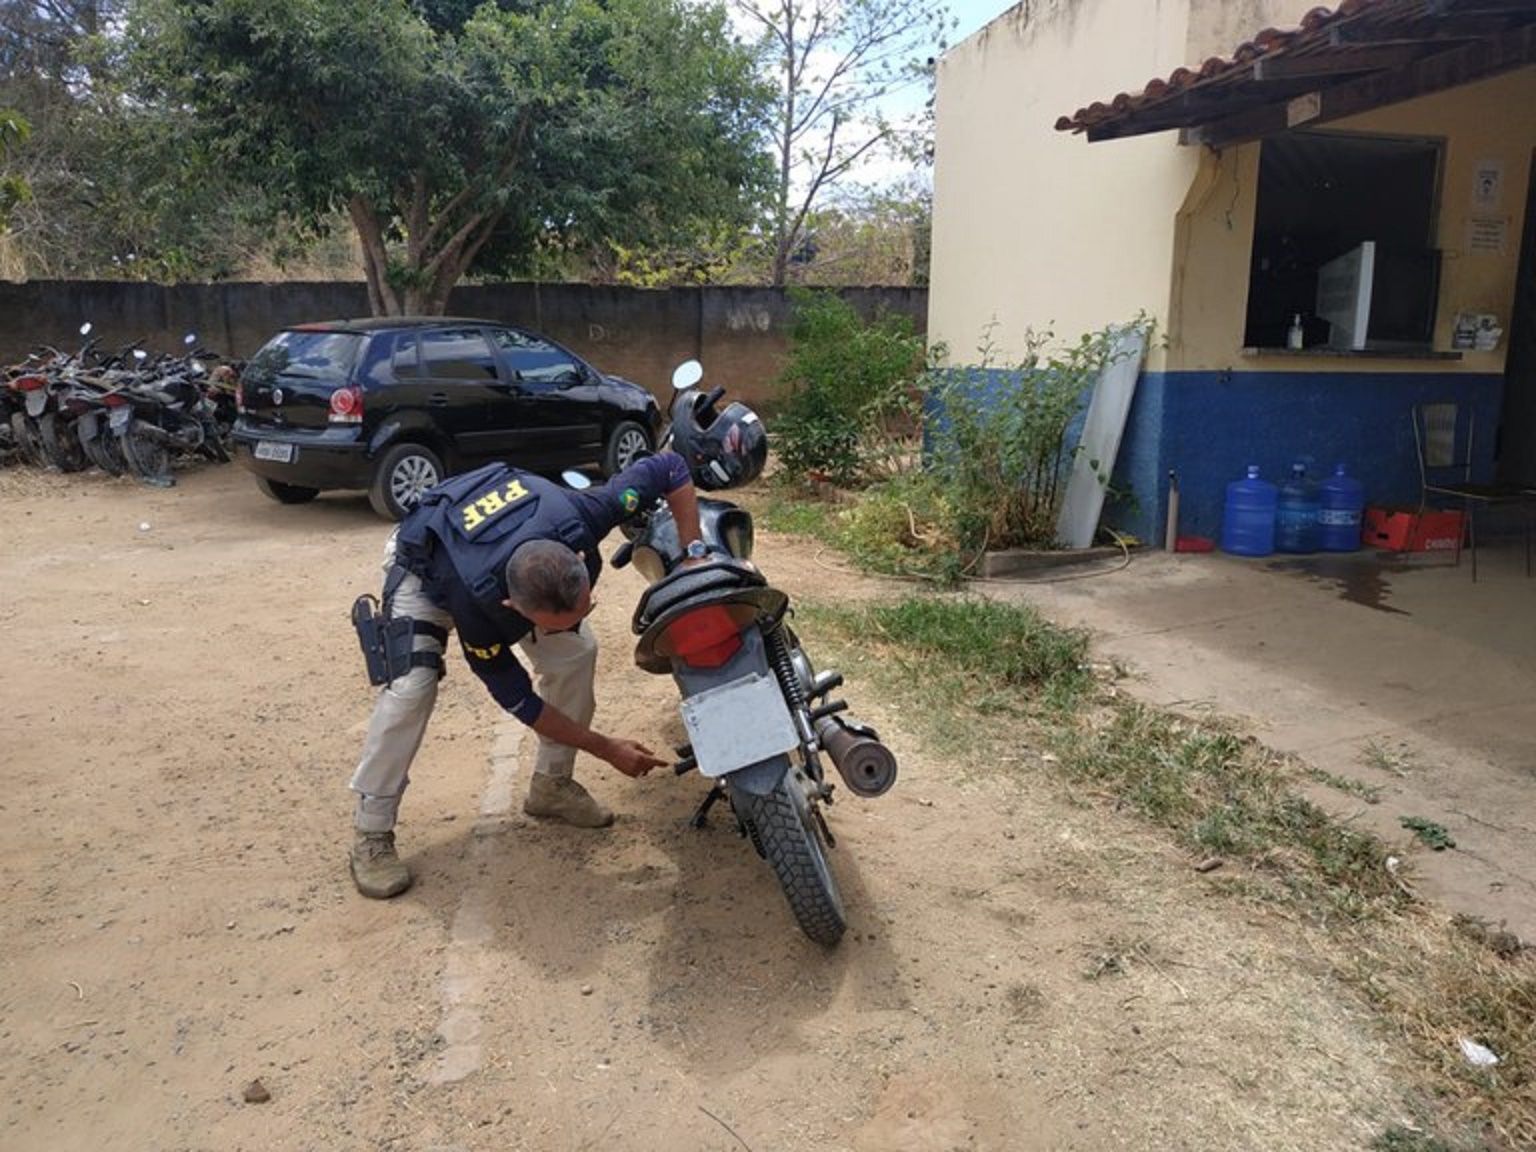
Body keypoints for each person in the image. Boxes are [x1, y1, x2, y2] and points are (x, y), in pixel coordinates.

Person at [347, 452, 706, 899]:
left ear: (579, 556)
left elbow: (670, 468)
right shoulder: (476, 609)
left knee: (578, 650)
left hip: (510, 545)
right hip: (428, 566)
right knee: (411, 690)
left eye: (585, 605)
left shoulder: (584, 513)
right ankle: (372, 832)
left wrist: (695, 555)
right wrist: (604, 747)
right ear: (511, 609)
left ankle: (551, 786)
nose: (576, 620)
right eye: (553, 623)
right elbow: (521, 702)